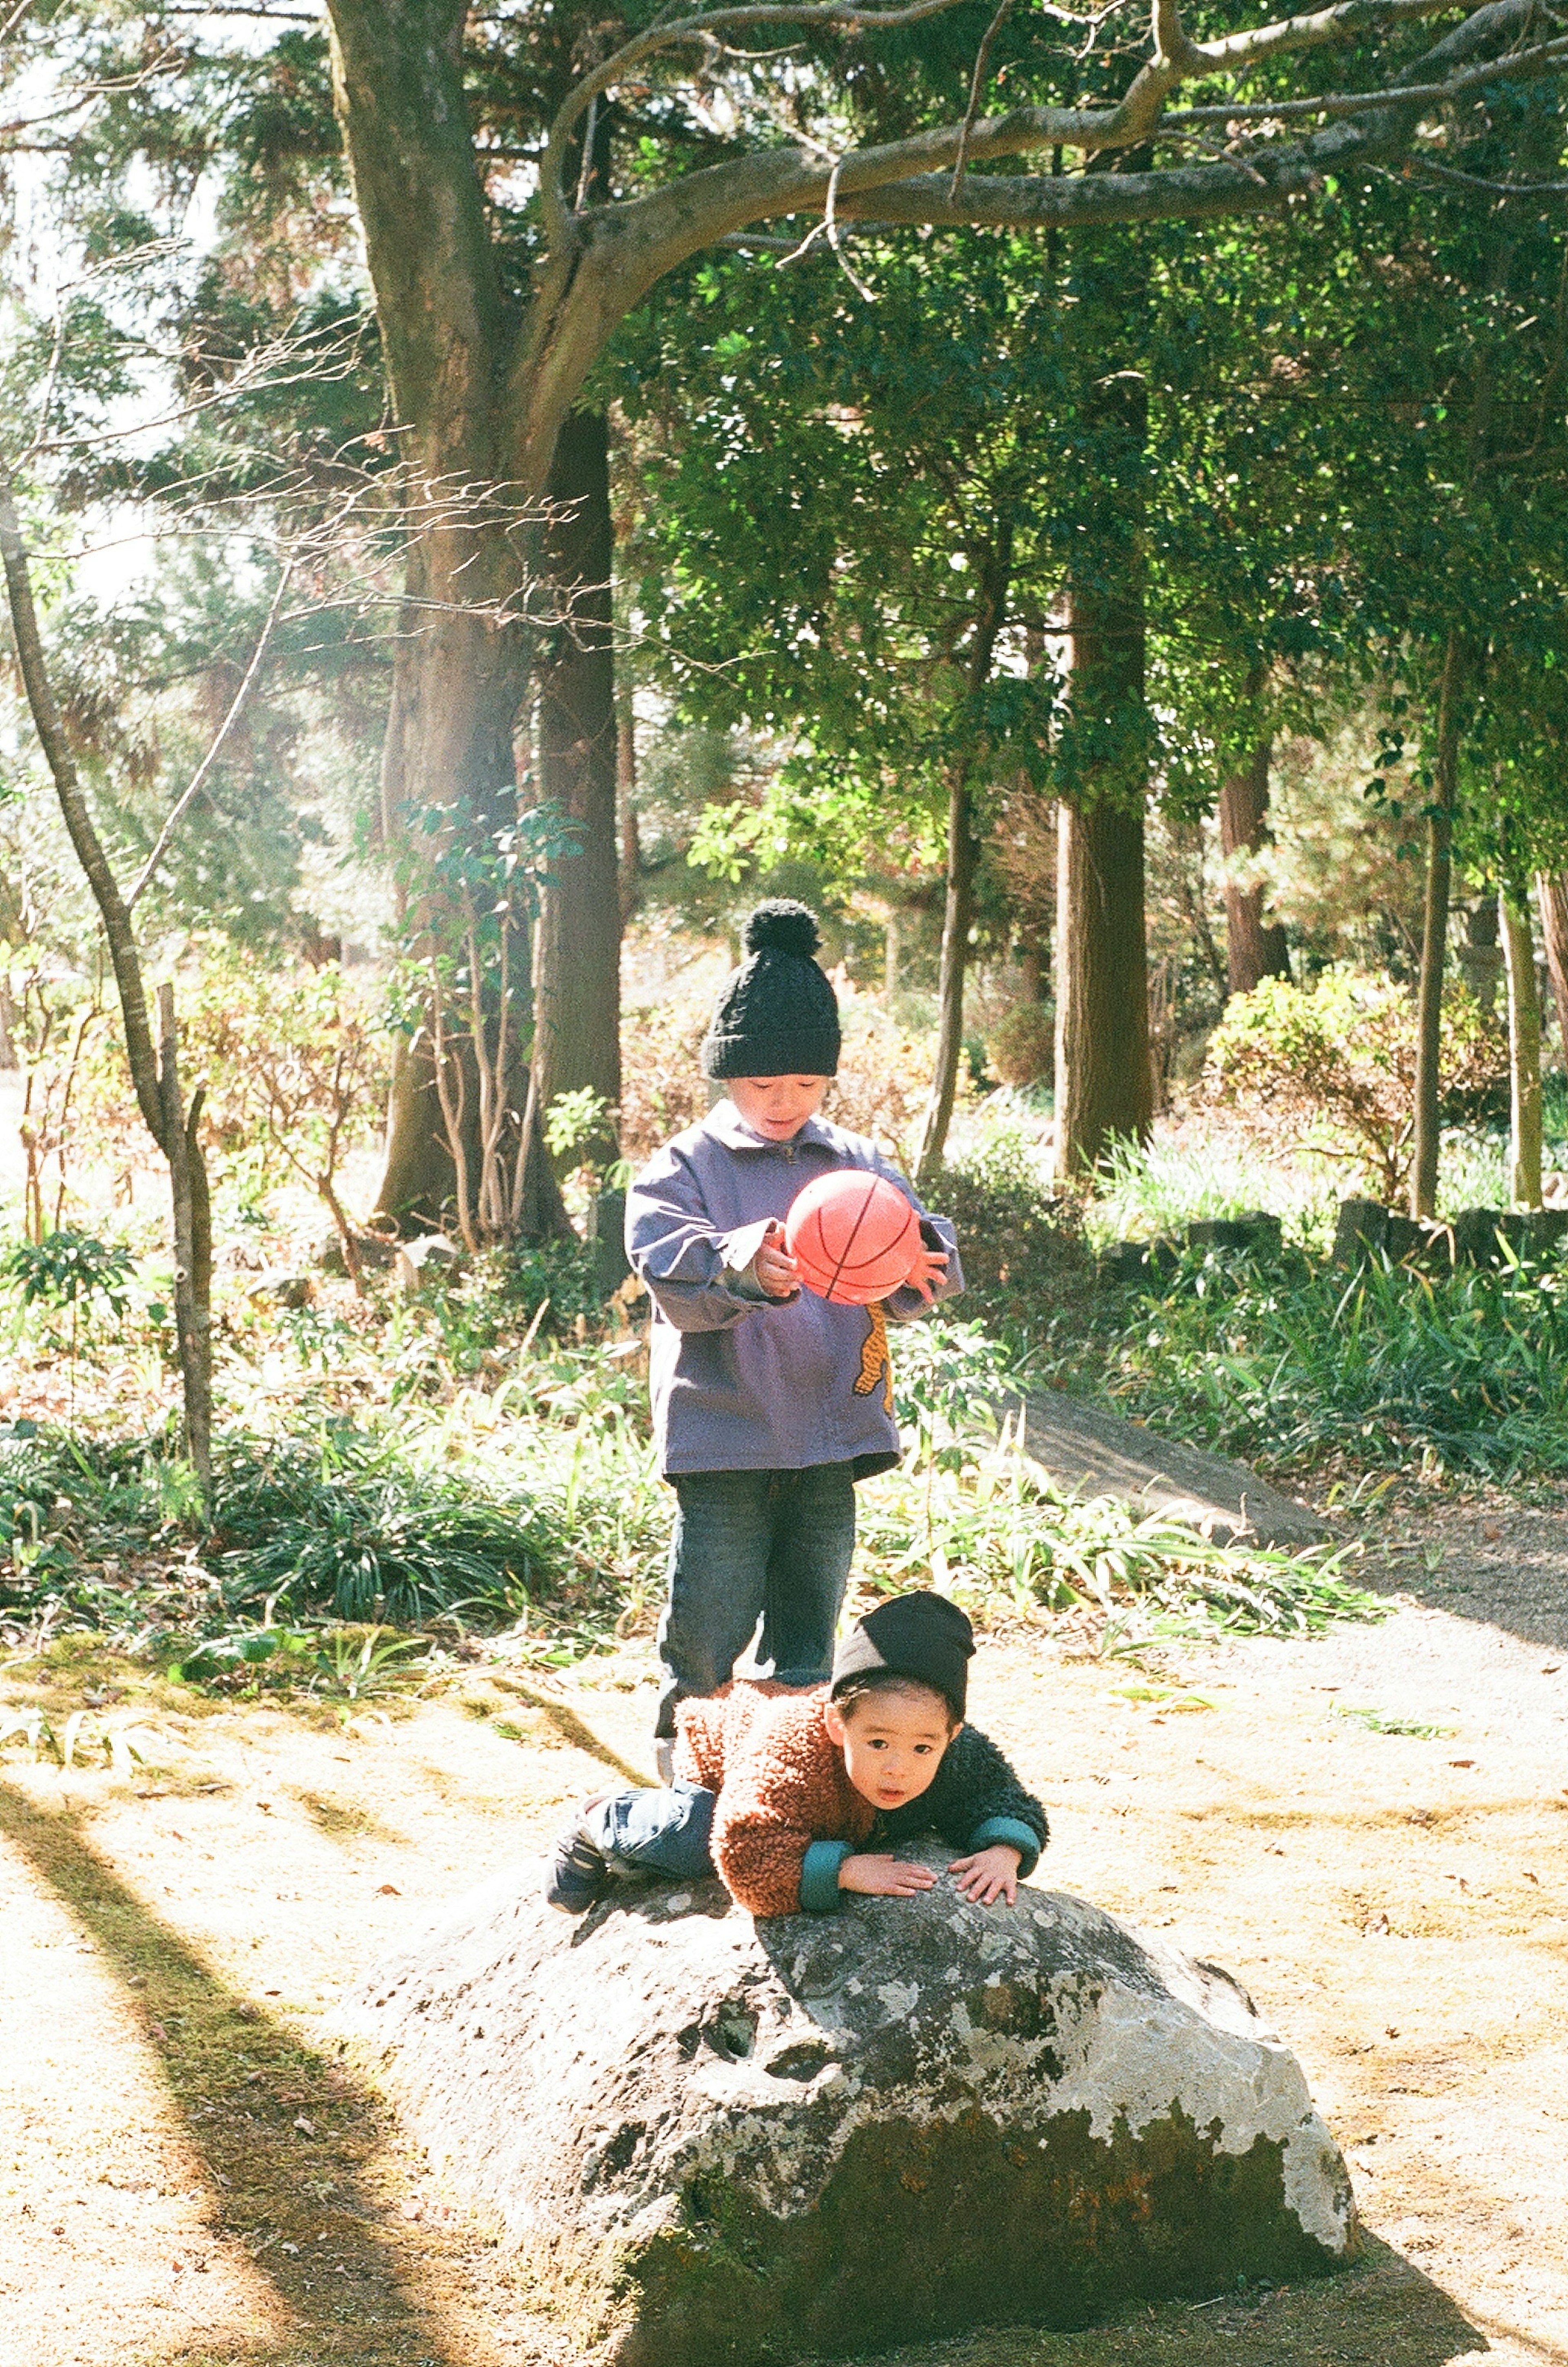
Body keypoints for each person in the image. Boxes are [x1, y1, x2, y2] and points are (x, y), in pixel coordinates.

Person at [626, 899, 963, 1773]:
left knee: (811, 1622)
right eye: (764, 1086)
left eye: (805, 1087)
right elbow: (666, 1263)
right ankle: (686, 1756)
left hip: (829, 1435)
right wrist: (743, 1264)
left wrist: (923, 1264)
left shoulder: (857, 1163)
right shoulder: (683, 1168)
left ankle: (785, 1766)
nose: (785, 1103)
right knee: (711, 1617)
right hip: (725, 1433)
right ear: (727, 1079)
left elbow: (916, 1254)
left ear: (828, 1083)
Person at [544, 1591, 1046, 1919]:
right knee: (694, 1837)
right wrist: (844, 1870)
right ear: (837, 1724)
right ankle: (604, 1816)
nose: (898, 1767)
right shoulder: (790, 1750)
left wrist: (1006, 1851)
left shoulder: (951, 1748)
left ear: (950, 1735)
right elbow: (746, 1852)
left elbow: (1006, 1795)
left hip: (810, 1715)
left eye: (923, 1748)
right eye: (877, 1743)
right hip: (726, 1755)